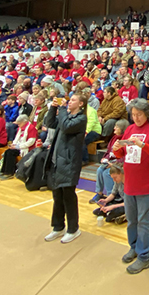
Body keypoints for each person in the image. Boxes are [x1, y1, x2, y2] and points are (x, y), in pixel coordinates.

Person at [112, 98, 149, 274]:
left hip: (146, 184)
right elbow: (122, 152)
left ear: (147, 114)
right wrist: (116, 148)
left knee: (144, 222)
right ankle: (134, 247)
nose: (135, 118)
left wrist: (143, 145)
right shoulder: (129, 129)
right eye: (133, 114)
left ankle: (145, 256)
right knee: (131, 220)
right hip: (130, 183)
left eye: (139, 114)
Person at [43, 93, 87, 244]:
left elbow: (66, 127)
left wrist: (61, 109)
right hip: (57, 161)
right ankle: (58, 227)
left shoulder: (81, 119)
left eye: (73, 99)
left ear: (81, 104)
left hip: (69, 162)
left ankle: (73, 229)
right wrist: (53, 108)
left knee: (68, 197)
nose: (69, 102)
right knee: (57, 196)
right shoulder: (65, 115)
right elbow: (50, 123)